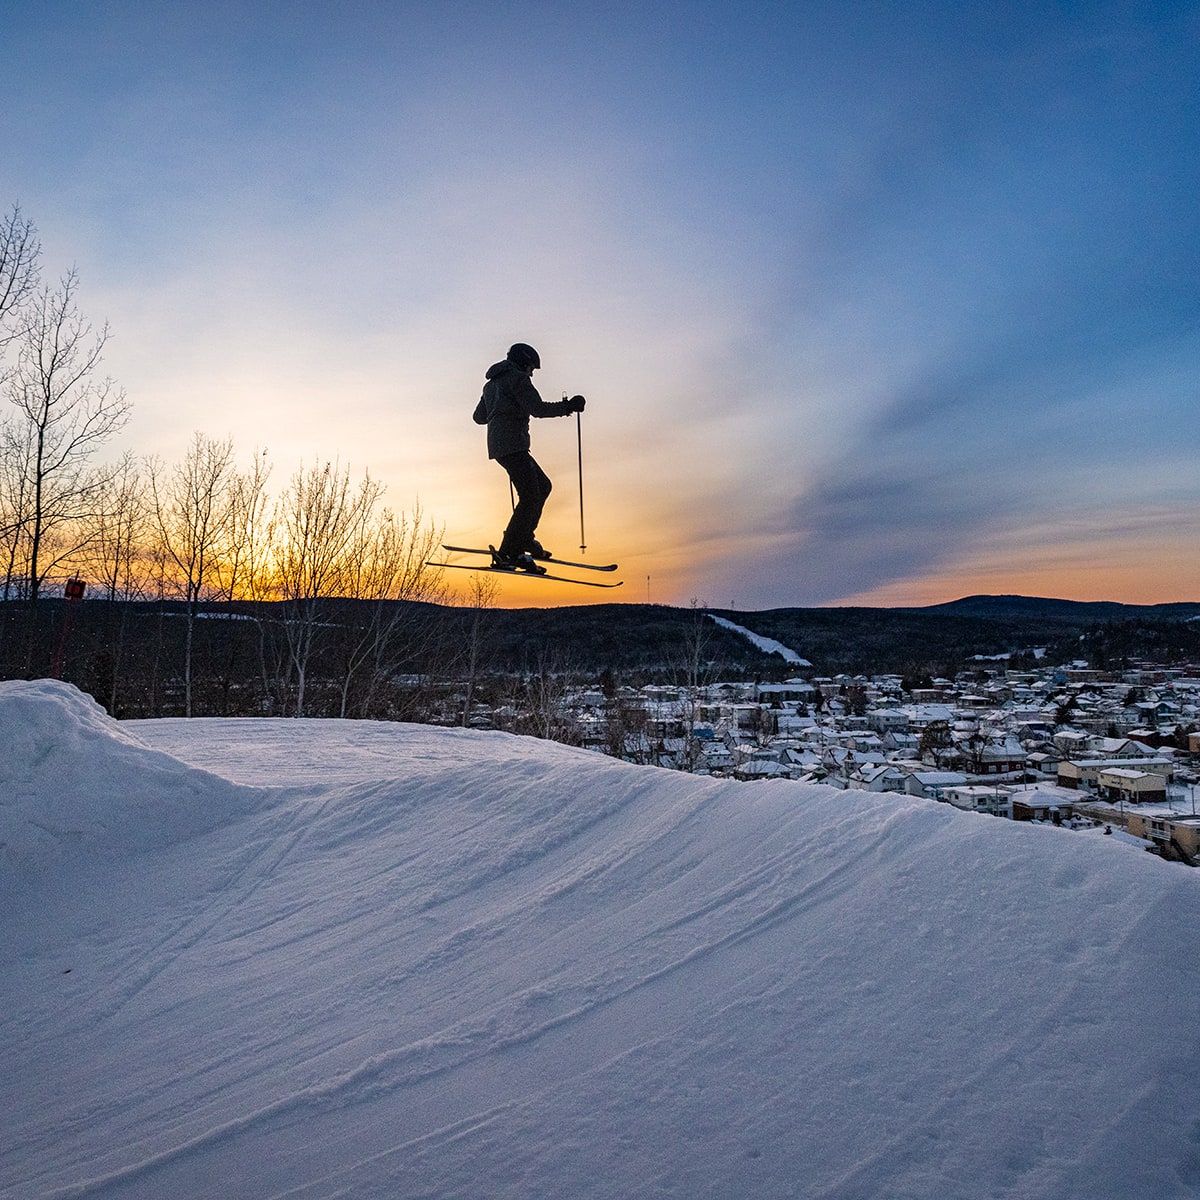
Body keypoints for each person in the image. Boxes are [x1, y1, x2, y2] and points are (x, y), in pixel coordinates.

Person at [473, 342, 585, 573]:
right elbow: (538, 409)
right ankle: (509, 552)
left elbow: (479, 417)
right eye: (532, 368)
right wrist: (569, 406)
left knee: (542, 487)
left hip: (501, 446)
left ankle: (523, 539)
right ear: (525, 363)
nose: (532, 373)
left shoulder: (491, 384)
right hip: (514, 445)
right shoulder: (518, 379)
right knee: (531, 496)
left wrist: (500, 409)